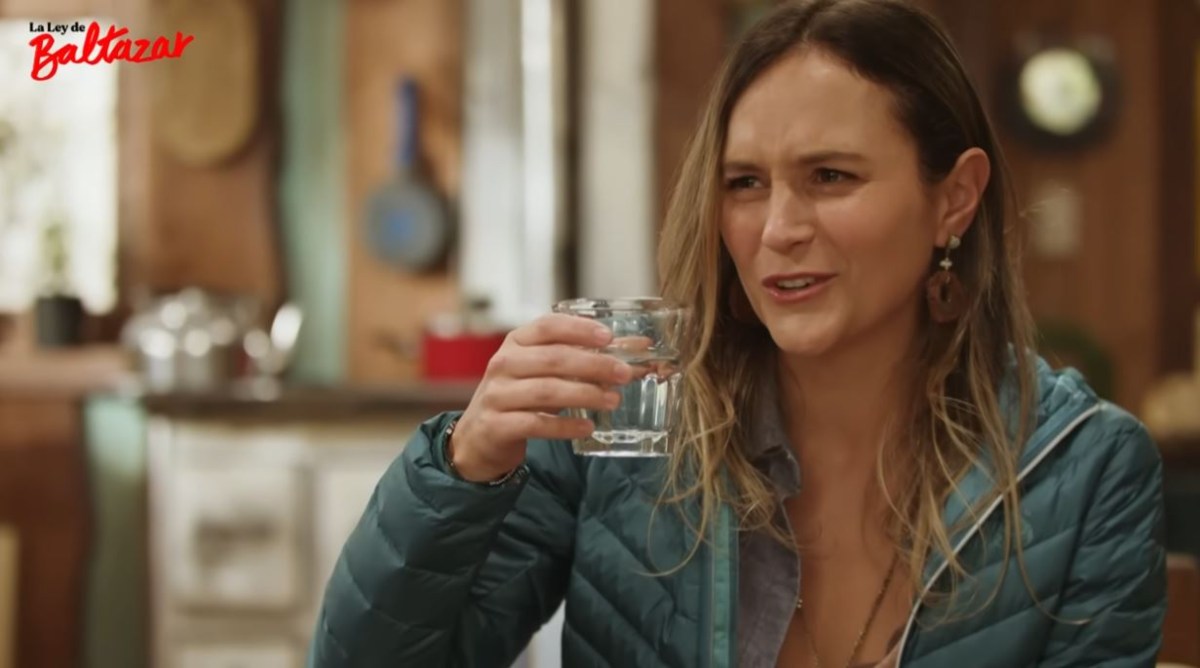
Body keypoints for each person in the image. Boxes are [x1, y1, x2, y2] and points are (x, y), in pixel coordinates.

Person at [308, 0, 1166, 666]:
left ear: (955, 199)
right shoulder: (618, 426)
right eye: (745, 183)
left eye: (831, 176)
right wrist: (462, 468)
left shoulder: (1083, 470)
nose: (778, 228)